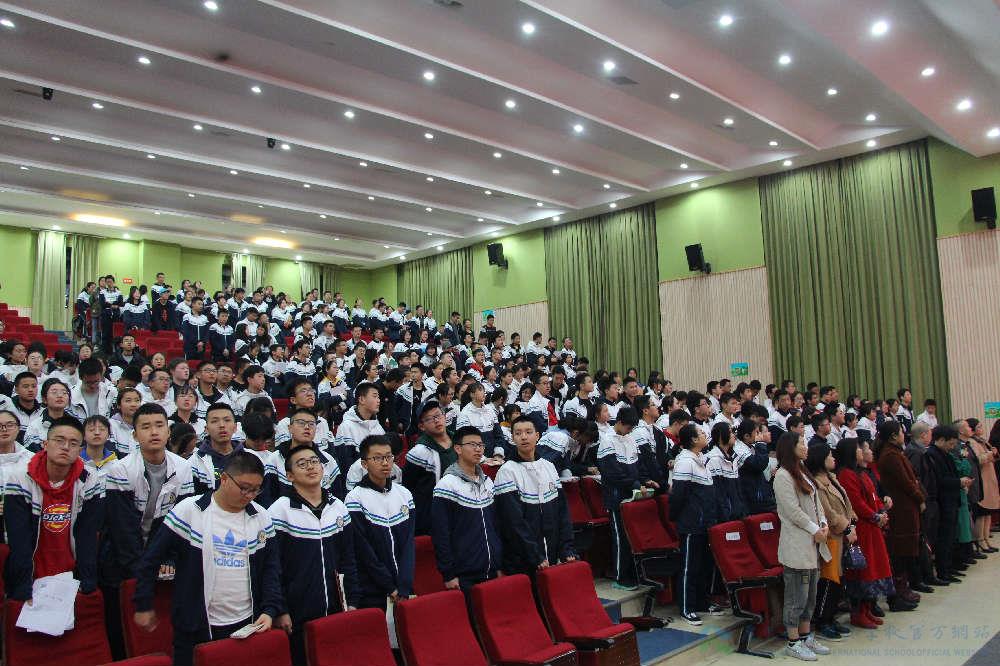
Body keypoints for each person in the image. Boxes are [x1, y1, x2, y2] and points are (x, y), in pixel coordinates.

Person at [133, 451, 281, 666]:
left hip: (246, 622)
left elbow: (271, 567)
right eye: (244, 488)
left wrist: (270, 609)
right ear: (224, 479)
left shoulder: (261, 516)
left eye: (256, 489)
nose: (249, 495)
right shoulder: (189, 511)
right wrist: (143, 603)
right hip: (196, 624)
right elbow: (150, 560)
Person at [268, 444, 359, 664]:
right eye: (302, 464)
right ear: (289, 475)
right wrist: (280, 609)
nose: (310, 467)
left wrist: (352, 600)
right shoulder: (279, 511)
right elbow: (272, 568)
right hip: (297, 612)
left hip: (336, 609)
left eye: (314, 461)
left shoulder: (338, 507)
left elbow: (348, 559)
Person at [4, 416, 104, 600]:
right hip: (32, 574)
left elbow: (87, 536)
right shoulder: (20, 478)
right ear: (45, 444)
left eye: (73, 443)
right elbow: (19, 539)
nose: (66, 447)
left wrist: (86, 581)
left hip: (70, 575)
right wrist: (23, 587)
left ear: (80, 450)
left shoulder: (89, 479)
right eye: (59, 440)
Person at [773, 432, 831, 661]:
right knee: (796, 596)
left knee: (810, 596)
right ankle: (793, 641)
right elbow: (792, 511)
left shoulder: (802, 471)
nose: (806, 447)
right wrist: (815, 529)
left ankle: (806, 636)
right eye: (802, 443)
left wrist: (823, 523)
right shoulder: (782, 476)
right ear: (790, 447)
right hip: (797, 543)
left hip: (813, 541)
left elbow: (816, 503)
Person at [494, 416, 576, 576]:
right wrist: (535, 555)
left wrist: (566, 548)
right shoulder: (507, 471)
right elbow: (513, 522)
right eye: (518, 433)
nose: (524, 437)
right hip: (523, 560)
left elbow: (562, 512)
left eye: (528, 432)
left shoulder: (549, 466)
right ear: (512, 438)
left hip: (551, 554)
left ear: (537, 436)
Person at [345, 434, 416, 610]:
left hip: (404, 587)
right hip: (373, 589)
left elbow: (409, 543)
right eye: (377, 458)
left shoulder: (404, 494)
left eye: (388, 457)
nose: (385, 463)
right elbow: (364, 550)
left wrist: (404, 584)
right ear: (364, 463)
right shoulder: (355, 498)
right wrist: (390, 587)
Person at [431, 426, 502, 591]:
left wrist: (499, 564)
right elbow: (441, 534)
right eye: (472, 445)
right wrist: (448, 574)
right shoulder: (447, 485)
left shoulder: (487, 482)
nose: (478, 449)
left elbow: (496, 525)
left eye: (481, 445)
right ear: (458, 449)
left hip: (492, 570)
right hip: (464, 575)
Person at [834, 438, 894, 628]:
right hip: (862, 528)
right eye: (860, 449)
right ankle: (858, 612)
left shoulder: (862, 472)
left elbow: (874, 497)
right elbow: (856, 503)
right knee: (862, 571)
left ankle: (867, 609)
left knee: (873, 569)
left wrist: (881, 511)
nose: (863, 451)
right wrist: (875, 516)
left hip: (872, 528)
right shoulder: (846, 475)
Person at [597, 407, 653, 591]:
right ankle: (621, 577)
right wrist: (634, 484)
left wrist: (645, 480)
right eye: (628, 427)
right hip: (616, 497)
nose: (629, 431)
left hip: (632, 494)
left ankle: (634, 573)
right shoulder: (607, 440)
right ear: (620, 422)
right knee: (620, 537)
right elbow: (612, 472)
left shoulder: (630, 438)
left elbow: (638, 465)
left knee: (631, 537)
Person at [805, 442, 856, 641]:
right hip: (832, 537)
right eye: (829, 456)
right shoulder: (817, 484)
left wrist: (852, 523)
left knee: (839, 581)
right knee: (829, 580)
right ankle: (822, 620)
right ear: (820, 460)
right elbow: (829, 513)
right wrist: (847, 527)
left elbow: (846, 504)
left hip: (843, 535)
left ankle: (831, 616)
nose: (833, 458)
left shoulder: (832, 479)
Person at [669, 423, 717, 625]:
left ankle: (702, 602)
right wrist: (679, 517)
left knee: (703, 565)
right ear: (694, 440)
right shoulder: (685, 462)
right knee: (689, 567)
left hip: (704, 522)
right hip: (690, 523)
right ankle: (686, 607)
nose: (705, 434)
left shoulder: (701, 459)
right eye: (701, 433)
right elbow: (678, 495)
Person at [874, 420, 924, 611]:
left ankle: (903, 589)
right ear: (894, 436)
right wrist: (920, 498)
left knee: (905, 551)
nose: (904, 435)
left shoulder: (895, 453)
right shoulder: (890, 456)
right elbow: (906, 482)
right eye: (901, 432)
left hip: (905, 506)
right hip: (901, 508)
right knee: (900, 552)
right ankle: (897, 593)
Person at [263, 407, 340, 506]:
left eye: (311, 424)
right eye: (301, 423)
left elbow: (337, 497)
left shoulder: (328, 460)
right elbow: (267, 498)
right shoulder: (274, 460)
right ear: (290, 428)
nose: (307, 427)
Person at [920, 425, 967, 582]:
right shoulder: (932, 455)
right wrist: (958, 482)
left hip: (951, 500)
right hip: (943, 501)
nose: (952, 447)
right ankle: (943, 571)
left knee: (950, 537)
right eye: (950, 443)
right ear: (940, 440)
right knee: (943, 538)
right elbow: (939, 480)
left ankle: (949, 567)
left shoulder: (945, 454)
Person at [403, 401, 456, 535]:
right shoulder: (418, 452)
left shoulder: (459, 441)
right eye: (429, 419)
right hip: (433, 515)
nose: (436, 421)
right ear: (422, 426)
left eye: (438, 415)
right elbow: (408, 486)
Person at [330, 382, 384, 493]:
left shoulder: (378, 427)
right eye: (374, 396)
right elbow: (345, 464)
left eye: (378, 397)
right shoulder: (346, 427)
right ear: (362, 399)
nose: (378, 400)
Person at [190, 403, 244, 493]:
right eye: (215, 421)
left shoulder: (251, 458)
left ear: (235, 427)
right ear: (206, 429)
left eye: (227, 420)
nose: (222, 425)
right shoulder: (194, 463)